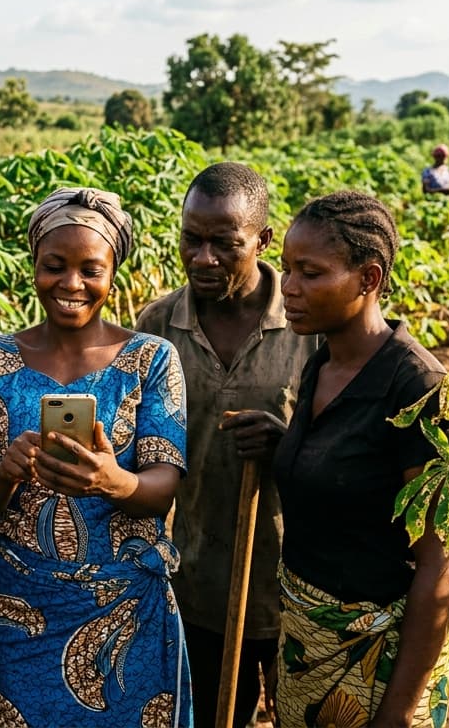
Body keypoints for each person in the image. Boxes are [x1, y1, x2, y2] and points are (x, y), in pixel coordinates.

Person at [0, 187, 192, 728]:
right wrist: (7, 470)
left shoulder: (151, 360)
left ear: (114, 273)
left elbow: (163, 487)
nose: (71, 284)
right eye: (54, 266)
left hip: (128, 605)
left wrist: (114, 481)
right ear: (33, 265)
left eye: (91, 269)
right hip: (19, 611)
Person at [135, 162, 317, 728]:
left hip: (298, 587)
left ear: (262, 241)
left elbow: (345, 453)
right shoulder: (158, 325)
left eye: (224, 243)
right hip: (197, 584)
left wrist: (285, 447)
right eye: (192, 238)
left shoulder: (310, 325)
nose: (203, 257)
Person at [271, 191, 449, 728]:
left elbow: (440, 564)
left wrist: (398, 713)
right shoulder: (322, 363)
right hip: (307, 646)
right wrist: (283, 442)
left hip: (379, 667)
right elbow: (343, 474)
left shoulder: (420, 389)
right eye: (287, 269)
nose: (288, 287)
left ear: (368, 278)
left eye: (310, 272)